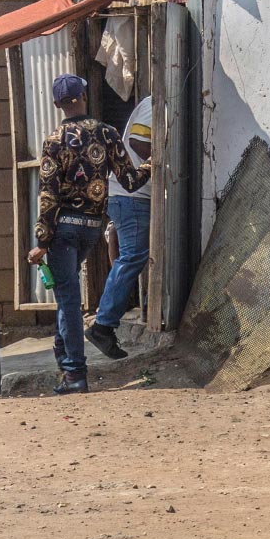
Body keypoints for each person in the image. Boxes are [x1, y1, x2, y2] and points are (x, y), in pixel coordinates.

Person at [25, 75, 149, 395]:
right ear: (84, 95)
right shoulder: (107, 133)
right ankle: (62, 353)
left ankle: (74, 375)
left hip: (63, 232)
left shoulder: (54, 141)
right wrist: (151, 164)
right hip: (92, 230)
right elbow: (131, 181)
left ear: (57, 105)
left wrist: (42, 242)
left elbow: (49, 195)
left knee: (68, 300)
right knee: (67, 295)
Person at [89, 93, 153, 361]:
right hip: (132, 196)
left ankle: (106, 323)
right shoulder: (156, 103)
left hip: (129, 196)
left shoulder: (156, 102)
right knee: (132, 257)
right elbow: (140, 142)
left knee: (130, 257)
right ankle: (103, 325)